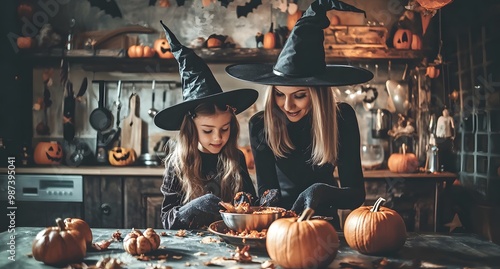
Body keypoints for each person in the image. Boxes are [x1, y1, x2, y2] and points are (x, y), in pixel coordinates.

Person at [225, 0, 373, 229]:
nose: (287, 105)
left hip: (324, 225)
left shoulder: (341, 118)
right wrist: (261, 201)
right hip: (277, 226)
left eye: (299, 95)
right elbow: (266, 189)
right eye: (280, 95)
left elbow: (355, 195)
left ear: (317, 95)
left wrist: (321, 192)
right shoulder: (260, 124)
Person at [155, 21, 259, 229]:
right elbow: (167, 221)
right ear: (191, 128)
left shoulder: (235, 158)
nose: (218, 138)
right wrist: (193, 207)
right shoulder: (178, 163)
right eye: (207, 131)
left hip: (230, 247)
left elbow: (251, 206)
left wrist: (255, 203)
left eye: (225, 128)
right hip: (191, 252)